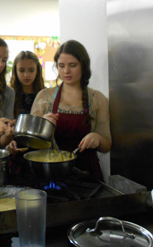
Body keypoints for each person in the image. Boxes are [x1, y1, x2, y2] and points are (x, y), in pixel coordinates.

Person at [30, 40, 111, 181]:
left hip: (88, 176)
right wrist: (42, 127)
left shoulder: (97, 99)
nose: (66, 71)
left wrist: (97, 139)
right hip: (52, 173)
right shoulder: (44, 97)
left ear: (83, 66)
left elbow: (107, 145)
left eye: (72, 65)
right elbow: (30, 145)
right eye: (61, 66)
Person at [6, 51, 45, 173]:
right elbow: (5, 123)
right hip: (15, 153)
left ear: (37, 71)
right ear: (15, 71)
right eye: (22, 70)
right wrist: (8, 140)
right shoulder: (8, 94)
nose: (26, 75)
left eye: (31, 70)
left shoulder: (45, 95)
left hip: (40, 155)